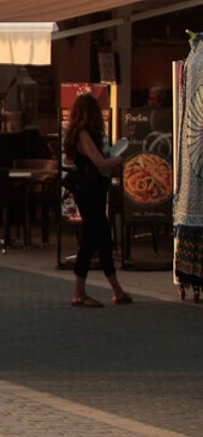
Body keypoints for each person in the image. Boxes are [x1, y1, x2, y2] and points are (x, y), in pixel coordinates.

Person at [65, 92, 133, 307]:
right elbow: (101, 164)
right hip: (90, 191)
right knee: (93, 238)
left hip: (91, 190)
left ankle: (117, 290)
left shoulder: (78, 133)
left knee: (103, 239)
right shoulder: (84, 135)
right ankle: (79, 292)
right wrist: (119, 159)